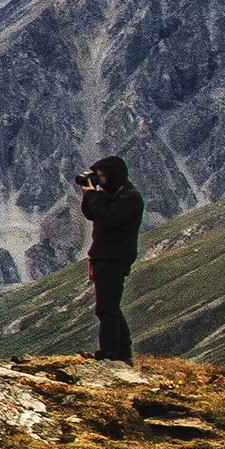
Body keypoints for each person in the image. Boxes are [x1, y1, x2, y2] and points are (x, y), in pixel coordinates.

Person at [78, 155, 145, 363]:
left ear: (114, 176)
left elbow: (110, 217)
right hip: (104, 258)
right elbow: (91, 214)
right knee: (111, 307)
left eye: (102, 176)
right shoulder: (114, 195)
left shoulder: (130, 198)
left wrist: (92, 195)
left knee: (106, 309)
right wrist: (89, 194)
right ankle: (123, 354)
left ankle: (109, 354)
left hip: (114, 259)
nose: (100, 180)